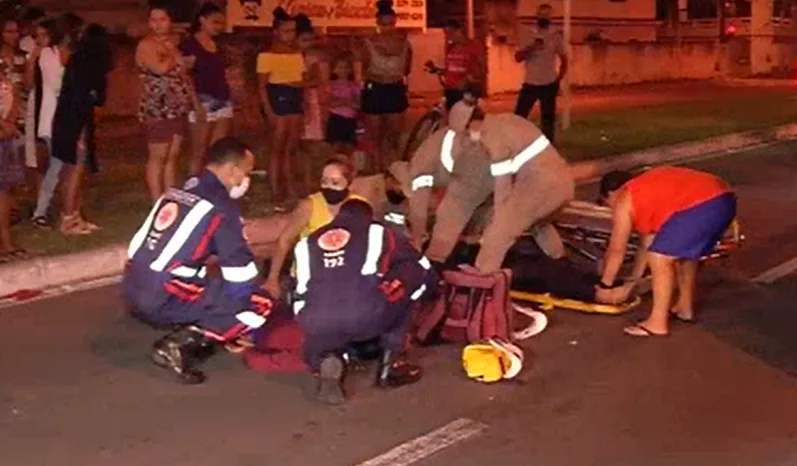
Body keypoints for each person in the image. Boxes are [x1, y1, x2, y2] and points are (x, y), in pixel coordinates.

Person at [123, 137, 272, 384]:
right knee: (259, 302)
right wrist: (241, 326)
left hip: (133, 285)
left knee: (207, 280)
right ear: (232, 170)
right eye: (246, 173)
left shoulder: (181, 190)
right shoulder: (221, 207)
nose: (246, 181)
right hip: (162, 293)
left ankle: (197, 321)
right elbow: (241, 275)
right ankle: (179, 345)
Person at [293, 198, 436, 404]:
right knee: (412, 272)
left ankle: (329, 355)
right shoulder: (378, 232)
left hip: (313, 320)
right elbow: (419, 262)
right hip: (364, 316)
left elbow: (296, 285)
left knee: (327, 297)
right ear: (370, 217)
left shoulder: (307, 242)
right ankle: (391, 365)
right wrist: (431, 287)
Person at [595, 167, 737, 337]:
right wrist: (631, 284)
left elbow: (617, 249)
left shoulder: (625, 199)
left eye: (606, 203)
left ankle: (657, 323)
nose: (611, 210)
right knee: (682, 255)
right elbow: (646, 246)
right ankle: (684, 307)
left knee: (660, 258)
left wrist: (605, 285)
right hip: (724, 199)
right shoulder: (646, 193)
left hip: (706, 202)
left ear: (612, 193)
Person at [447, 100, 574, 273]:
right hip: (563, 183)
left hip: (541, 185)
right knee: (537, 223)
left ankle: (481, 279)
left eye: (465, 132)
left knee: (500, 230)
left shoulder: (491, 136)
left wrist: (498, 219)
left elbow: (502, 184)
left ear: (472, 124)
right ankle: (560, 262)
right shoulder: (507, 119)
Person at [263, 155, 366, 299]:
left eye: (335, 182)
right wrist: (272, 279)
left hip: (343, 276)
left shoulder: (359, 206)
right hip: (309, 277)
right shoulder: (309, 206)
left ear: (349, 184)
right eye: (324, 182)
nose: (329, 187)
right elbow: (285, 240)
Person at [50, 24, 112, 236]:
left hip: (65, 120)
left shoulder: (76, 61)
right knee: (75, 169)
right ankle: (69, 218)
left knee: (71, 170)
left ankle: (73, 214)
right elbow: (97, 102)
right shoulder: (95, 67)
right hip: (77, 124)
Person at [137, 4, 198, 202]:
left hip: (177, 106)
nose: (158, 24)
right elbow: (161, 68)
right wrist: (172, 53)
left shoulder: (172, 45)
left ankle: (170, 198)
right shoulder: (147, 45)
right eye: (154, 20)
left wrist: (193, 101)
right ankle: (157, 202)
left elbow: (184, 73)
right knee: (158, 156)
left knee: (173, 155)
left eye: (162, 20)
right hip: (157, 107)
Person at [32, 13, 87, 233]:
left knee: (60, 168)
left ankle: (52, 212)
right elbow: (59, 85)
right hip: (55, 120)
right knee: (65, 168)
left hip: (66, 118)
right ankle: (63, 214)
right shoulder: (48, 54)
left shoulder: (67, 55)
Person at [257, 7, 304, 210]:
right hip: (277, 98)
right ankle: (276, 191)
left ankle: (290, 187)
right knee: (277, 148)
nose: (290, 35)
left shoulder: (296, 53)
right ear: (276, 32)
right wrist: (268, 110)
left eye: (293, 31)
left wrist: (299, 84)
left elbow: (301, 80)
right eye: (286, 31)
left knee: (290, 148)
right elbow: (261, 86)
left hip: (294, 99)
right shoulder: (267, 55)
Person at [359, 0, 412, 172]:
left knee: (394, 136)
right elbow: (363, 68)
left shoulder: (405, 43)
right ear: (378, 23)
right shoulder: (368, 43)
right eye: (384, 24)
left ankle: (393, 170)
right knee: (375, 137)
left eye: (391, 23)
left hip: (395, 88)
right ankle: (376, 171)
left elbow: (407, 69)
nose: (388, 28)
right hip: (375, 89)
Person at [180, 3, 233, 177]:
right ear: (202, 20)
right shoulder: (191, 45)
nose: (218, 27)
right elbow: (185, 75)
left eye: (221, 23)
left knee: (217, 151)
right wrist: (195, 103)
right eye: (214, 22)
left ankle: (212, 189)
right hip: (203, 99)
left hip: (222, 99)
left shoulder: (218, 45)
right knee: (199, 151)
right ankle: (194, 189)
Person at [513, 3, 568, 143]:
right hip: (530, 82)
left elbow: (564, 60)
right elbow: (518, 57)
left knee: (548, 120)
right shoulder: (528, 34)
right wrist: (532, 47)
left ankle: (548, 147)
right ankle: (515, 142)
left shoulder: (555, 36)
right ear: (537, 16)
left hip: (548, 83)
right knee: (519, 116)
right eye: (541, 14)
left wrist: (558, 80)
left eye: (547, 15)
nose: (544, 17)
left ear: (550, 17)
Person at [0, 18, 26, 262]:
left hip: (7, 134)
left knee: (5, 190)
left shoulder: (10, 68)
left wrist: (8, 122)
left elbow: (17, 94)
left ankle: (7, 243)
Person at [435, 19, 483, 110]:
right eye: (446, 34)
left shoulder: (474, 46)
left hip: (466, 90)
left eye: (450, 33)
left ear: (459, 31)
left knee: (463, 119)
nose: (448, 37)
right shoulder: (450, 47)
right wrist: (438, 70)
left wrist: (467, 79)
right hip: (450, 89)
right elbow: (451, 68)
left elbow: (480, 68)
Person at [326, 54, 360, 156]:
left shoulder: (355, 85)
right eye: (340, 67)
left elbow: (358, 104)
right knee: (336, 148)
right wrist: (347, 102)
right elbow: (330, 103)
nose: (343, 70)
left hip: (351, 120)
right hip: (336, 119)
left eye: (346, 67)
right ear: (334, 69)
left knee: (350, 149)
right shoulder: (331, 85)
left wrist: (341, 101)